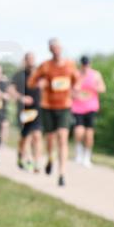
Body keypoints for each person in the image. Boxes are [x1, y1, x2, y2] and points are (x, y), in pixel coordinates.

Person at [28, 39, 79, 187]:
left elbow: (77, 81)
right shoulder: (45, 66)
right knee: (50, 138)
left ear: (61, 48)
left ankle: (62, 174)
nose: (56, 50)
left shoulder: (70, 65)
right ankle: (50, 157)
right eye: (53, 48)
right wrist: (40, 83)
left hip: (64, 106)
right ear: (50, 50)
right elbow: (32, 82)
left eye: (58, 47)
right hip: (48, 106)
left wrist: (75, 89)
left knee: (62, 138)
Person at [71, 55, 106, 169]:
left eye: (88, 64)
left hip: (91, 106)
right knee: (78, 131)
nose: (86, 66)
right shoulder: (76, 74)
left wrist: (93, 88)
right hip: (77, 106)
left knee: (89, 134)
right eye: (84, 64)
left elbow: (103, 89)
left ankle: (87, 156)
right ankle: (79, 150)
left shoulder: (96, 74)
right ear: (81, 64)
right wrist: (77, 93)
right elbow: (70, 91)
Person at [11, 53, 43, 172]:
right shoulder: (19, 75)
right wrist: (21, 97)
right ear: (25, 61)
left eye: (33, 59)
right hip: (24, 110)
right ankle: (22, 156)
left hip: (37, 109)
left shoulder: (40, 75)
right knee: (25, 137)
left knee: (37, 136)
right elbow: (11, 90)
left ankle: (35, 162)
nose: (31, 61)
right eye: (29, 59)